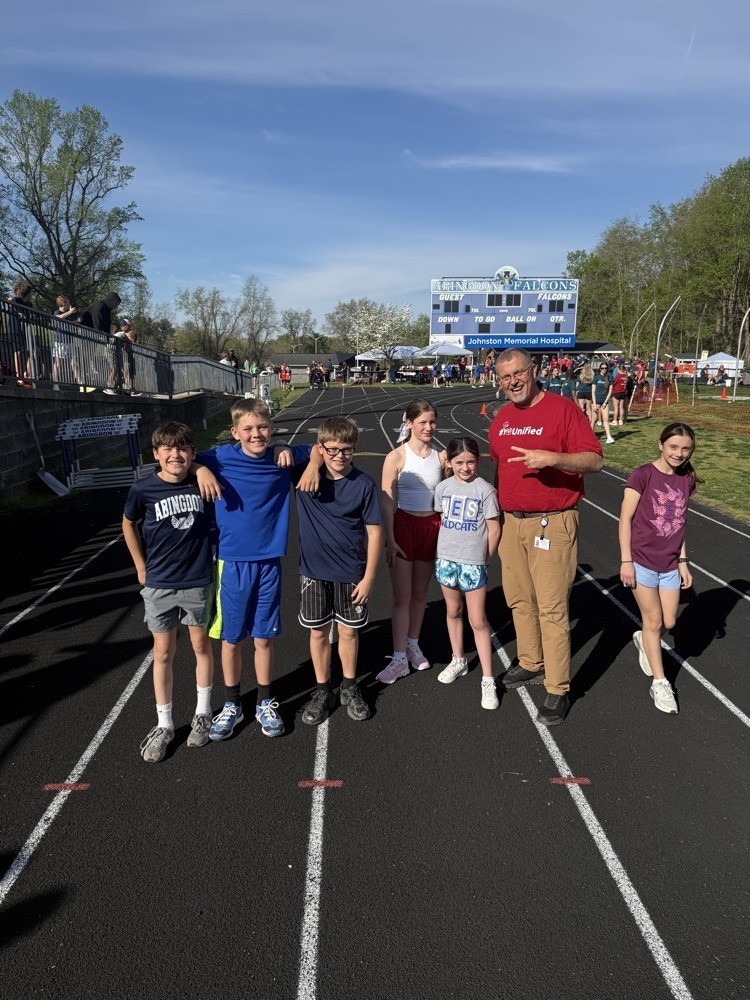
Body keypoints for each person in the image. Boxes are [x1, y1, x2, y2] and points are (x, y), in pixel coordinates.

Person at [194, 399, 320, 740]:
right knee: (231, 639)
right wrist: (199, 469)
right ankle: (232, 704)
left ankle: (265, 700)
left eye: (263, 427)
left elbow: (320, 446)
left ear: (272, 428)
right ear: (235, 432)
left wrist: (310, 463)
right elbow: (183, 457)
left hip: (269, 563)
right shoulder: (219, 457)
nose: (256, 434)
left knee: (264, 638)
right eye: (247, 429)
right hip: (232, 563)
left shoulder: (284, 457)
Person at [489, 348, 602, 726]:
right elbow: (499, 471)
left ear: (533, 370)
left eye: (519, 373)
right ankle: (531, 662)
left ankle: (558, 688)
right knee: (519, 600)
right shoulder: (501, 419)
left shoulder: (563, 409)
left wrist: (552, 458)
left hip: (552, 522)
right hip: (511, 522)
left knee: (552, 608)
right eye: (505, 377)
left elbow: (594, 460)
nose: (513, 382)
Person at [122, 422, 215, 762]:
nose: (176, 455)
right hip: (159, 582)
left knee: (200, 646)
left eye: (184, 449)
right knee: (163, 653)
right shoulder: (143, 489)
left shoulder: (202, 482)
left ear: (192, 453)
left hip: (196, 580)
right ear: (156, 454)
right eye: (169, 450)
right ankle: (165, 723)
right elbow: (127, 523)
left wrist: (203, 468)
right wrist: (139, 565)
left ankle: (202, 713)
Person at [294, 417, 383, 725]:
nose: (339, 456)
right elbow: (278, 449)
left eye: (346, 449)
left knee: (348, 631)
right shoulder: (303, 476)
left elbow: (374, 532)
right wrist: (311, 463)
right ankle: (322, 690)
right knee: (318, 632)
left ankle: (349, 685)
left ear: (354, 448)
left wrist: (370, 576)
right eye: (331, 450)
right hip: (314, 573)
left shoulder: (364, 484)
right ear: (321, 448)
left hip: (351, 573)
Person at [618, 423, 702, 715]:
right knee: (653, 621)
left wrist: (682, 561)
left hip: (669, 564)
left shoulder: (686, 479)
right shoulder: (642, 475)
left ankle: (643, 639)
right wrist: (626, 560)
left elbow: (679, 523)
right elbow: (625, 520)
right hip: (641, 561)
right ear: (661, 445)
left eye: (685, 449)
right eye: (674, 447)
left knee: (669, 623)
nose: (679, 453)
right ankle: (660, 681)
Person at [378, 399, 446, 684]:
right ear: (409, 424)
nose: (429, 427)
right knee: (401, 596)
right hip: (405, 526)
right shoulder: (396, 457)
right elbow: (386, 500)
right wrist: (390, 539)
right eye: (423, 422)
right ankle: (398, 658)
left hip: (431, 526)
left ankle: (412, 644)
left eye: (432, 422)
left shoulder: (441, 457)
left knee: (420, 594)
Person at [434, 438, 501, 710]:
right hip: (447, 560)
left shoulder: (485, 490)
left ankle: (488, 679)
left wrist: (486, 558)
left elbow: (494, 528)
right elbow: (441, 519)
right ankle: (459, 659)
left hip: (473, 562)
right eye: (459, 462)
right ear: (449, 462)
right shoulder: (442, 488)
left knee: (478, 619)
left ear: (478, 461)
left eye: (470, 462)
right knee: (452, 611)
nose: (465, 467)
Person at [52, 295, 80, 386]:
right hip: (60, 341)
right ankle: (55, 383)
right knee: (58, 363)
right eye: (68, 302)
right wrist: (71, 312)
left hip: (69, 341)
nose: (69, 304)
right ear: (63, 303)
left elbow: (69, 324)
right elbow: (58, 318)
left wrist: (77, 322)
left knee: (74, 362)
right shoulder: (57, 312)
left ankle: (80, 383)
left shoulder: (68, 314)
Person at [591, 362, 615, 443]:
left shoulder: (610, 377)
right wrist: (594, 404)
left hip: (604, 401)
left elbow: (610, 391)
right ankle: (590, 436)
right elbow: (593, 391)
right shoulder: (596, 377)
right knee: (594, 419)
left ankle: (609, 437)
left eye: (605, 368)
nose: (604, 369)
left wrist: (605, 402)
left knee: (606, 419)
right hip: (596, 401)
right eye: (602, 368)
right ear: (600, 368)